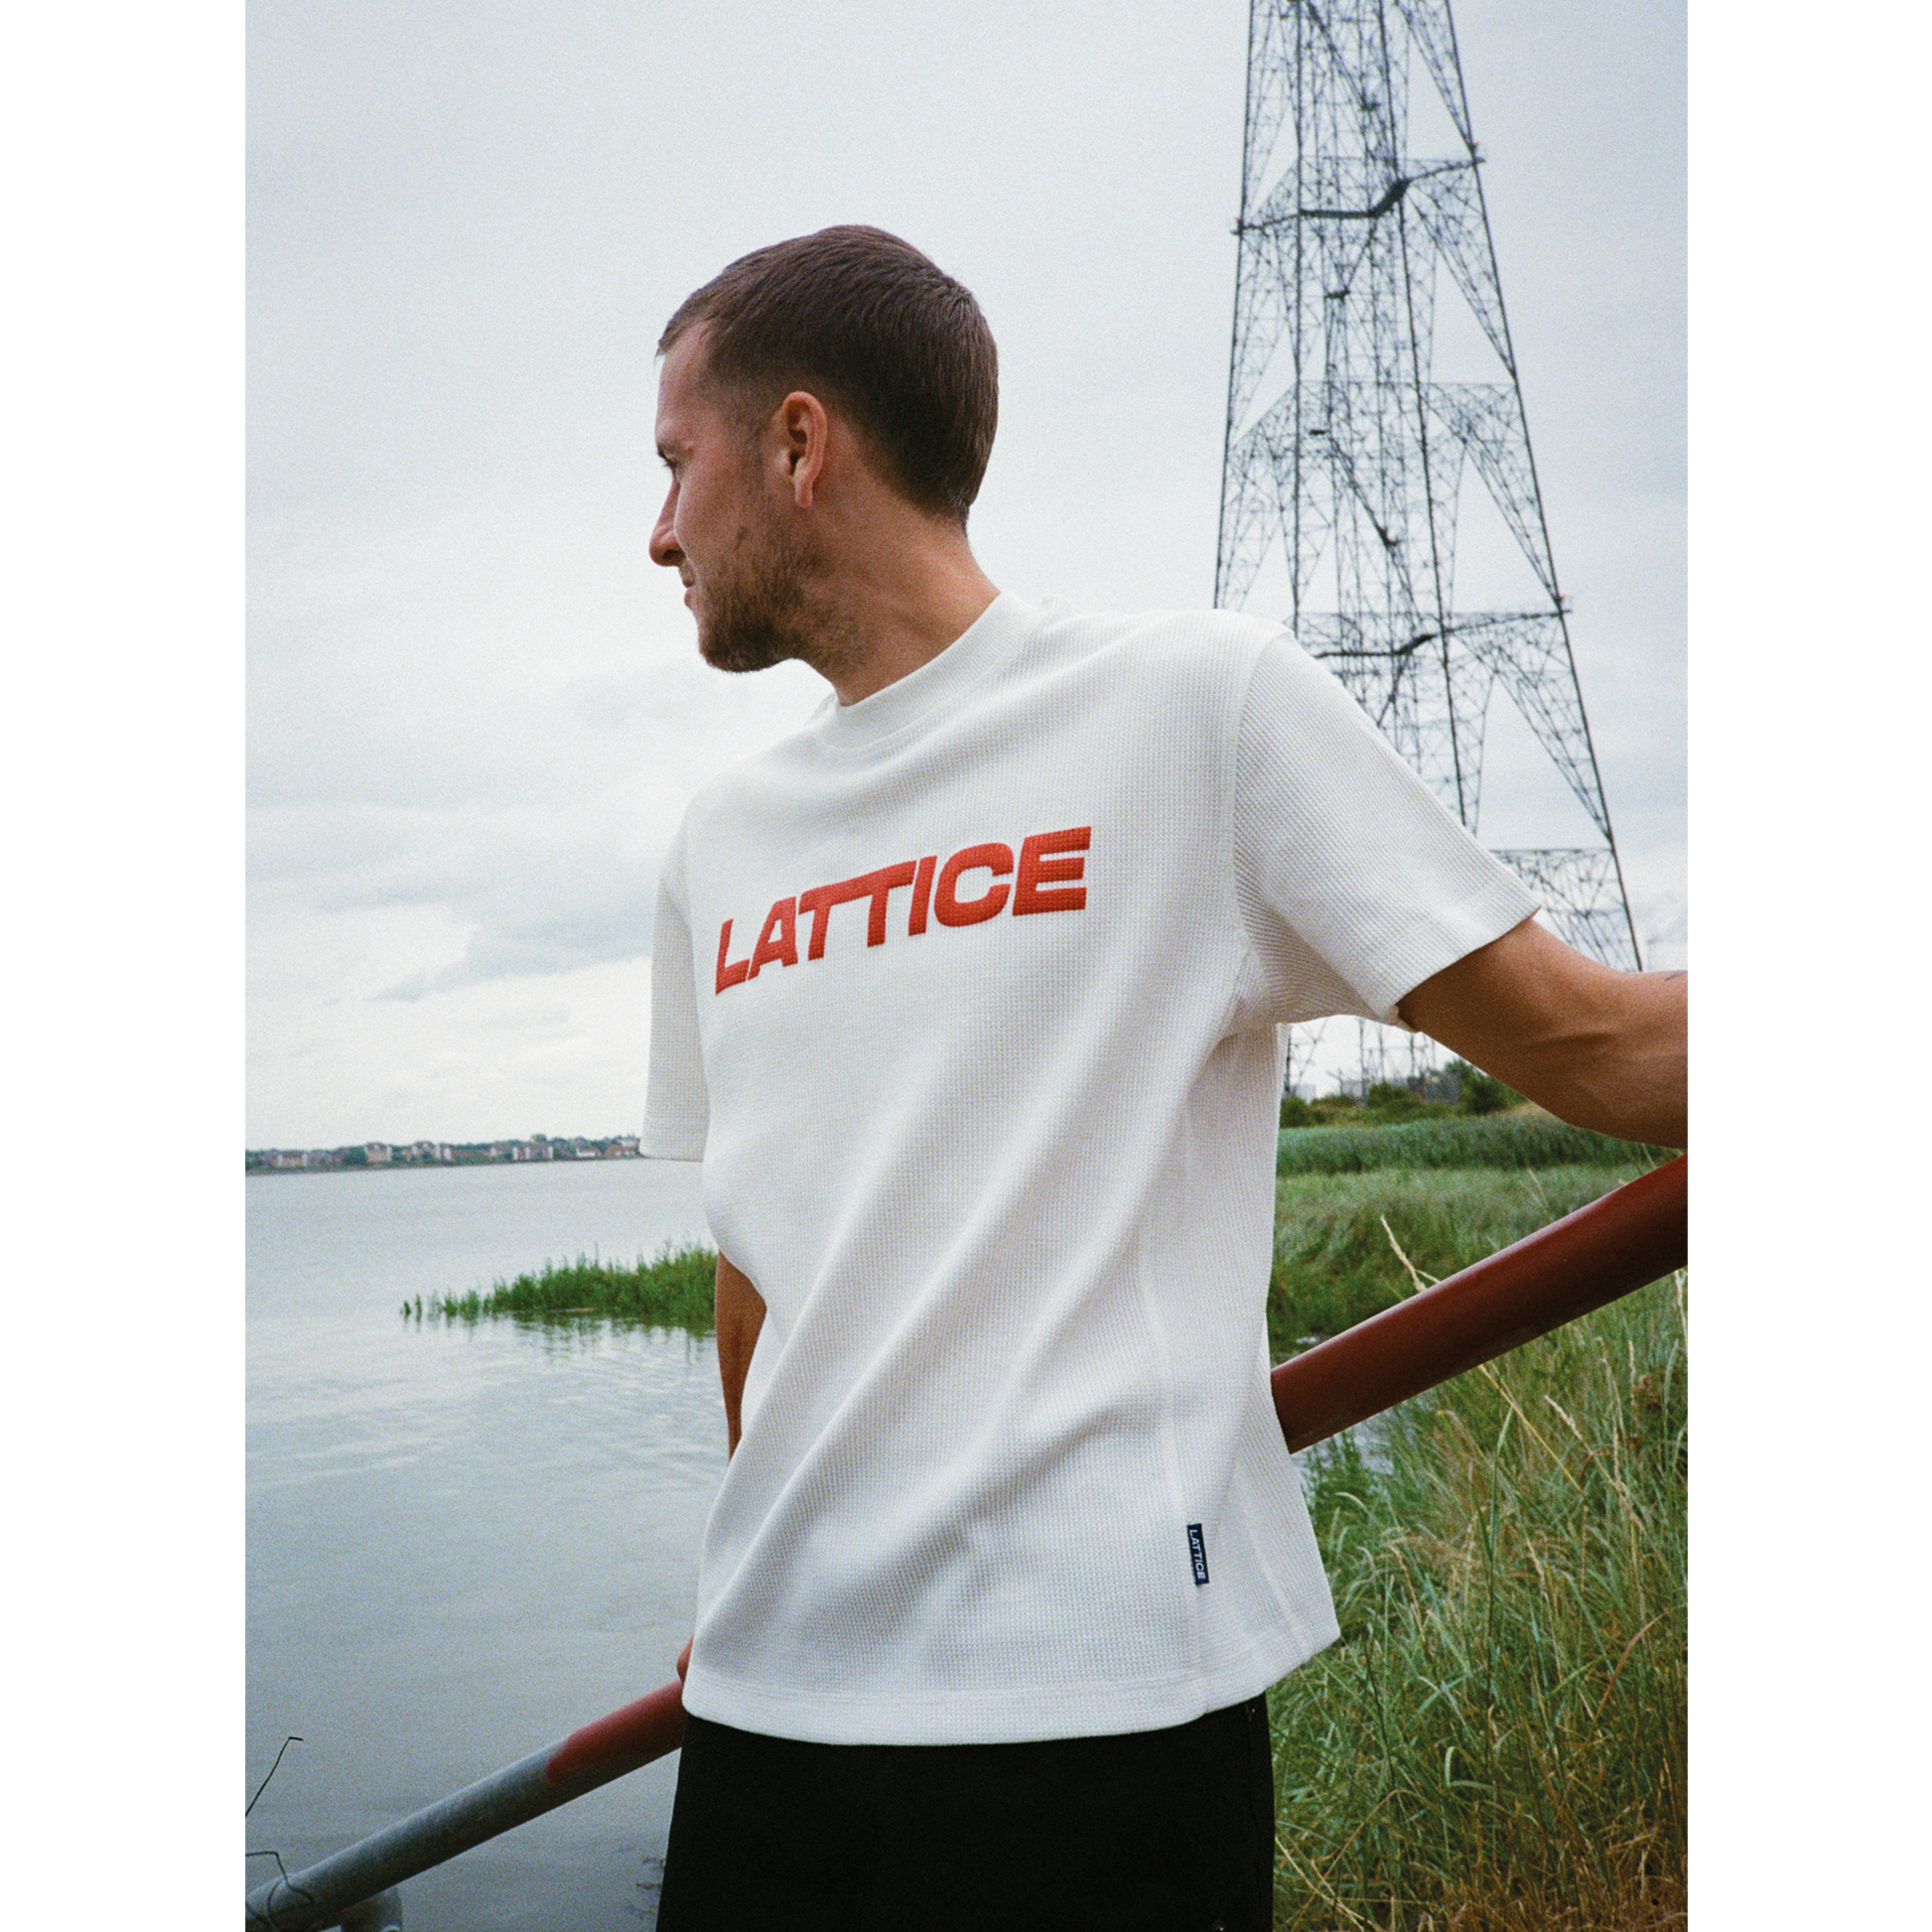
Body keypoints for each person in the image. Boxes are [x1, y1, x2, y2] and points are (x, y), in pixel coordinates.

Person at [640, 225, 1688, 1931]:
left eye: (677, 464)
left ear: (799, 442)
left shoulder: (1191, 707)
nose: (660, 530)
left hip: (1098, 1717)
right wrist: (765, 1575)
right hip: (765, 1710)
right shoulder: (720, 840)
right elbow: (757, 1265)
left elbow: (1595, 1043)